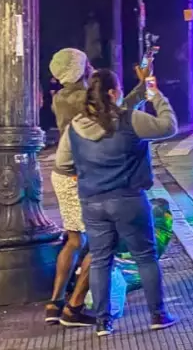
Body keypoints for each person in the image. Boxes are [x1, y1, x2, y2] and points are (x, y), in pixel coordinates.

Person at [60, 68, 178, 336]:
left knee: (101, 260)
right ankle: (158, 315)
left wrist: (85, 172)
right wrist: (155, 94)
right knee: (145, 257)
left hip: (92, 202)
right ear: (113, 93)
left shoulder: (74, 127)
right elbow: (168, 126)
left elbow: (62, 163)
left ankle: (103, 322)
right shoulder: (130, 119)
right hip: (128, 199)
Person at [46, 48, 149, 328]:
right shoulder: (83, 98)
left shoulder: (60, 97)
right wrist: (143, 86)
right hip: (81, 175)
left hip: (62, 173)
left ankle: (54, 303)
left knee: (75, 240)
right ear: (80, 69)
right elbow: (119, 111)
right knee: (104, 243)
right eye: (86, 63)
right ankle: (74, 307)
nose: (91, 66)